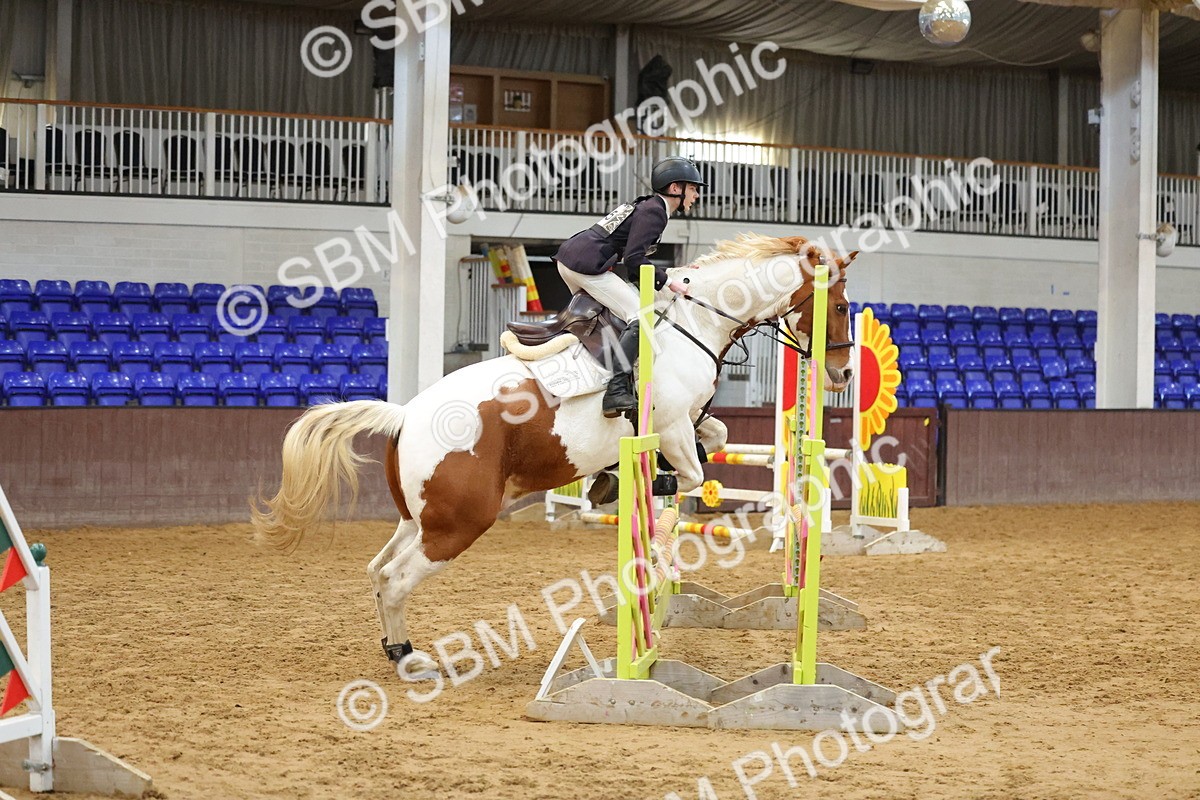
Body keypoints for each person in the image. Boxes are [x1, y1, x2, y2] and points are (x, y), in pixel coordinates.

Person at [554, 156, 705, 417]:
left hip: (573, 257)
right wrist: (669, 282)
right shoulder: (655, 211)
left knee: (610, 317)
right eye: (693, 188)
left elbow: (637, 262)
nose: (696, 195)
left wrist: (668, 274)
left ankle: (596, 376)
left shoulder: (649, 206)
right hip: (587, 263)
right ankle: (615, 389)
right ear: (675, 188)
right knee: (641, 316)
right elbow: (634, 260)